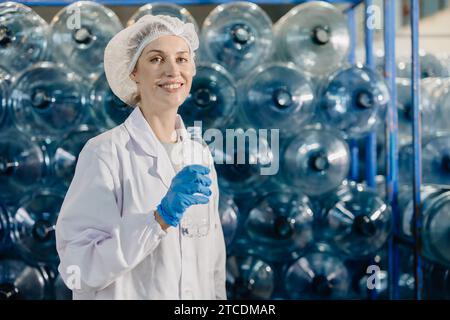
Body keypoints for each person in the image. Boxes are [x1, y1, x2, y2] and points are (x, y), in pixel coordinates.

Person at [55, 14, 226, 300]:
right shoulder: (105, 153)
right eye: (157, 59)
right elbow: (79, 267)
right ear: (134, 72)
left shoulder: (200, 154)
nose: (173, 71)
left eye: (182, 59)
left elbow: (213, 261)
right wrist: (158, 219)